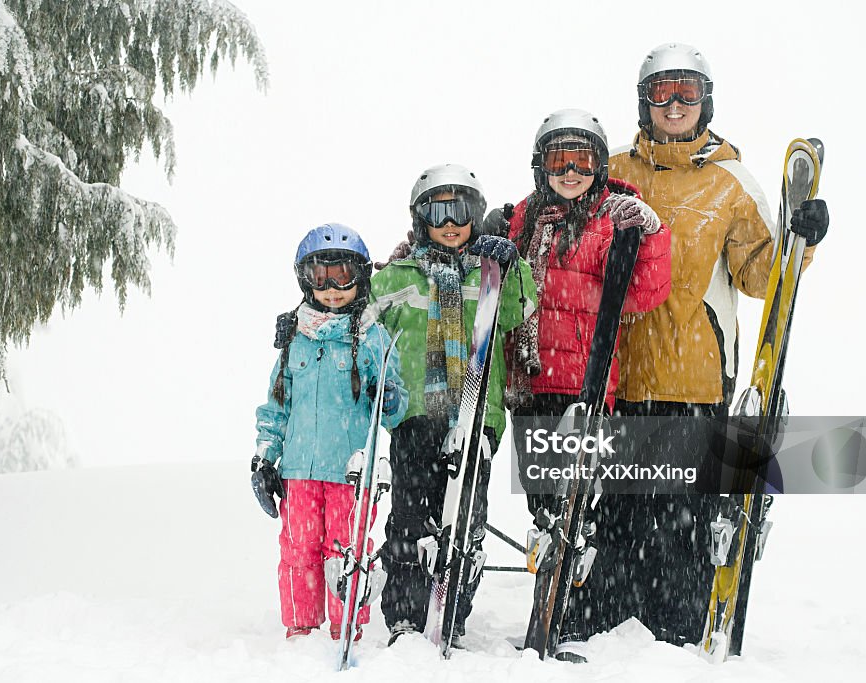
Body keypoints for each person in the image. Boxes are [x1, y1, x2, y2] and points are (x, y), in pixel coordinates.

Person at [606, 42, 830, 647]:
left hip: (697, 375)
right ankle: (604, 624)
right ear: (643, 101)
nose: (674, 104)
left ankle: (676, 628)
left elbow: (761, 275)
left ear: (706, 102)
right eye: (662, 92)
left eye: (688, 92)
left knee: (682, 513)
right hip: (617, 374)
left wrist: (798, 240)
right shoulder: (615, 171)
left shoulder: (732, 182)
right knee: (620, 516)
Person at [483, 109, 672, 661]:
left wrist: (651, 233)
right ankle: (547, 609)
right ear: (540, 166)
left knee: (580, 507)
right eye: (557, 160)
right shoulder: (523, 218)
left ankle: (573, 616)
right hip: (530, 379)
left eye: (582, 160)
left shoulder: (613, 217)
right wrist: (491, 238)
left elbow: (645, 293)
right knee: (545, 506)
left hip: (585, 386)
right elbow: (497, 284)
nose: (570, 171)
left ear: (600, 163)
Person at [370, 163, 537, 647]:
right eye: (438, 210)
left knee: (464, 518)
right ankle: (406, 613)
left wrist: (512, 264)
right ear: (420, 217)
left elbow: (519, 310)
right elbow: (361, 321)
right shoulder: (400, 276)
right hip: (415, 414)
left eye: (461, 210)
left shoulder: (488, 273)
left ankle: (453, 609)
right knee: (409, 516)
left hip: (474, 415)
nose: (450, 221)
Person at [252, 223, 408, 641]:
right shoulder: (294, 342)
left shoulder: (372, 337)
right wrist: (265, 457)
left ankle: (346, 627)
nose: (333, 289)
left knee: (346, 550)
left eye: (343, 276)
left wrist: (391, 398)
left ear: (360, 278)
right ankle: (300, 627)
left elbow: (394, 410)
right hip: (299, 470)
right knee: (298, 550)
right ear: (306, 281)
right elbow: (276, 407)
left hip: (350, 473)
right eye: (322, 278)